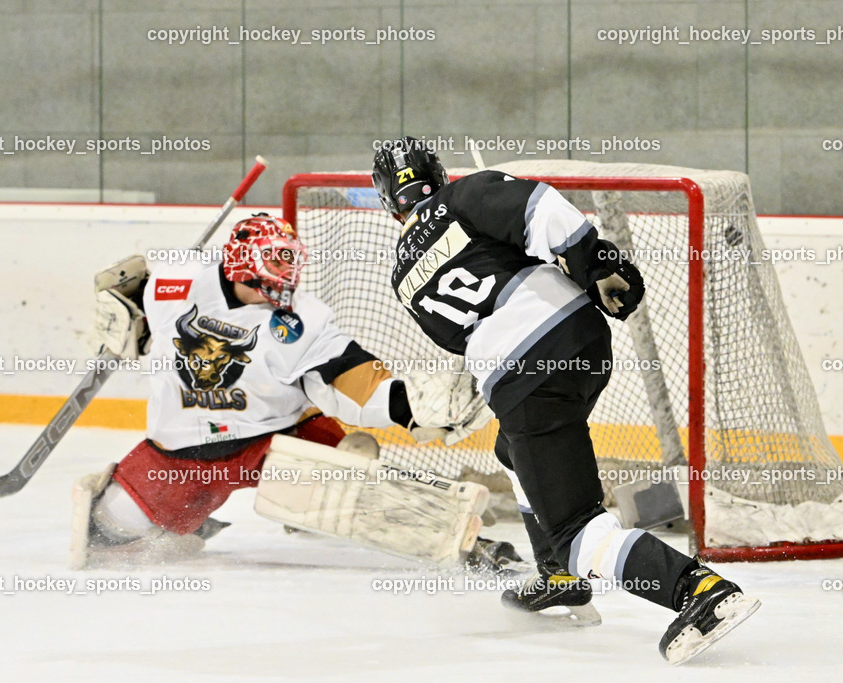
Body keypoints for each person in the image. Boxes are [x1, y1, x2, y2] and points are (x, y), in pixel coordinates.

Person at [371, 137, 759, 664]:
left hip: (526, 376)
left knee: (576, 528)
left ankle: (699, 593)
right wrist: (596, 263)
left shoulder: (401, 276)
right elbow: (539, 209)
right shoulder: (464, 194)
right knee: (511, 450)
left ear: (386, 198)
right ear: (435, 174)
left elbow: (459, 337)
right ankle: (558, 574)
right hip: (581, 341)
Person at [76, 213, 512, 571]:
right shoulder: (172, 285)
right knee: (105, 531)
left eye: (288, 270)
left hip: (276, 438)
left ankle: (466, 540)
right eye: (271, 273)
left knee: (357, 487)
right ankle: (182, 519)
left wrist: (409, 407)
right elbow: (132, 308)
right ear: (238, 267)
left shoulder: (304, 320)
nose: (283, 285)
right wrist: (121, 309)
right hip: (180, 451)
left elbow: (351, 374)